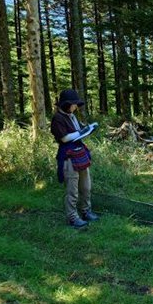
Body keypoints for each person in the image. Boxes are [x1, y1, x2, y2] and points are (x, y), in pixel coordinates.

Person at [50, 89, 100, 229]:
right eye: (73, 104)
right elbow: (65, 138)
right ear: (66, 104)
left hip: (80, 152)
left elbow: (78, 132)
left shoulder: (71, 115)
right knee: (72, 190)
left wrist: (88, 129)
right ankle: (72, 218)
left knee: (86, 186)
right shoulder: (58, 118)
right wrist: (81, 132)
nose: (75, 107)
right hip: (68, 156)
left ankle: (86, 211)